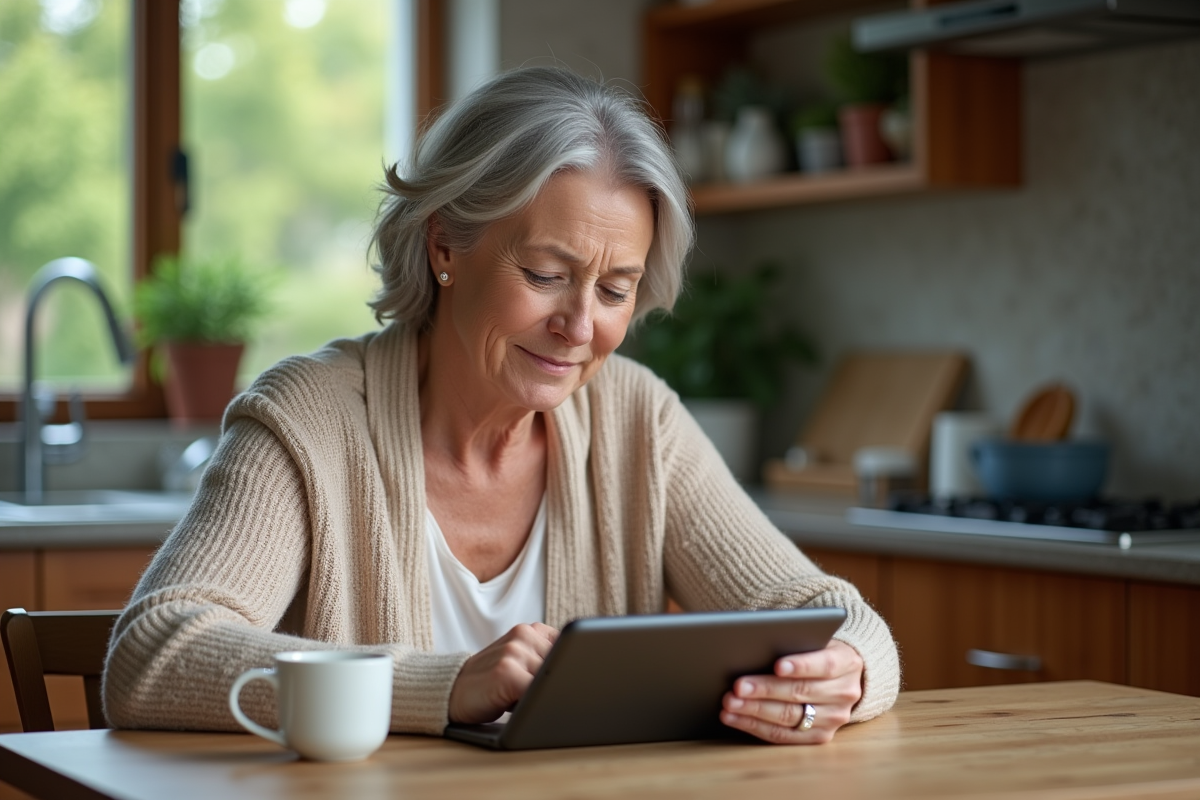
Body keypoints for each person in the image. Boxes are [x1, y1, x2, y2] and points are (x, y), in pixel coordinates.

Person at [103, 66, 899, 745]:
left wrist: (846, 672)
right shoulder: (309, 419)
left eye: (616, 289)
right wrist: (442, 685)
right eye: (547, 274)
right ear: (446, 243)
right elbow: (150, 652)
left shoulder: (637, 420)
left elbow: (827, 614)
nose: (580, 326)